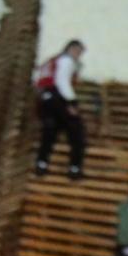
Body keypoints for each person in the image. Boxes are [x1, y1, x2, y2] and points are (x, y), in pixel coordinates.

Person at [32, 41, 87, 178]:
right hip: (58, 98)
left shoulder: (51, 62)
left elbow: (37, 79)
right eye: (77, 51)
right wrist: (72, 102)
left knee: (50, 132)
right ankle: (75, 167)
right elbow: (62, 81)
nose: (78, 55)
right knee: (77, 131)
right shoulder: (66, 60)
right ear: (70, 49)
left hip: (45, 99)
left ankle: (41, 164)